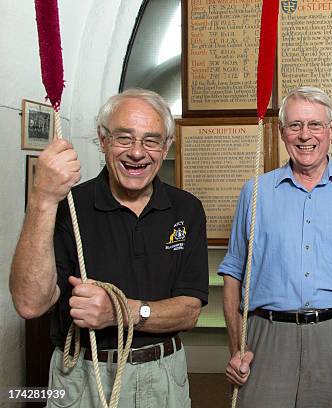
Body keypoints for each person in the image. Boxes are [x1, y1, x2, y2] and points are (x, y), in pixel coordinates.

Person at [10, 89, 209, 407]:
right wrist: (43, 199)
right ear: (102, 140)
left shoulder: (186, 210)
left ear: (166, 147)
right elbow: (30, 304)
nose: (137, 152)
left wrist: (119, 312)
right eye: (124, 138)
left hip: (164, 375)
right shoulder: (68, 207)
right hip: (82, 376)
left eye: (151, 140)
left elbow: (189, 312)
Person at [219, 86, 332, 408]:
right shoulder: (255, 192)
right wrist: (235, 347)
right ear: (282, 132)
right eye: (295, 125)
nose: (305, 135)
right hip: (267, 339)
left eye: (314, 125)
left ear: (331, 130)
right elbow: (233, 274)